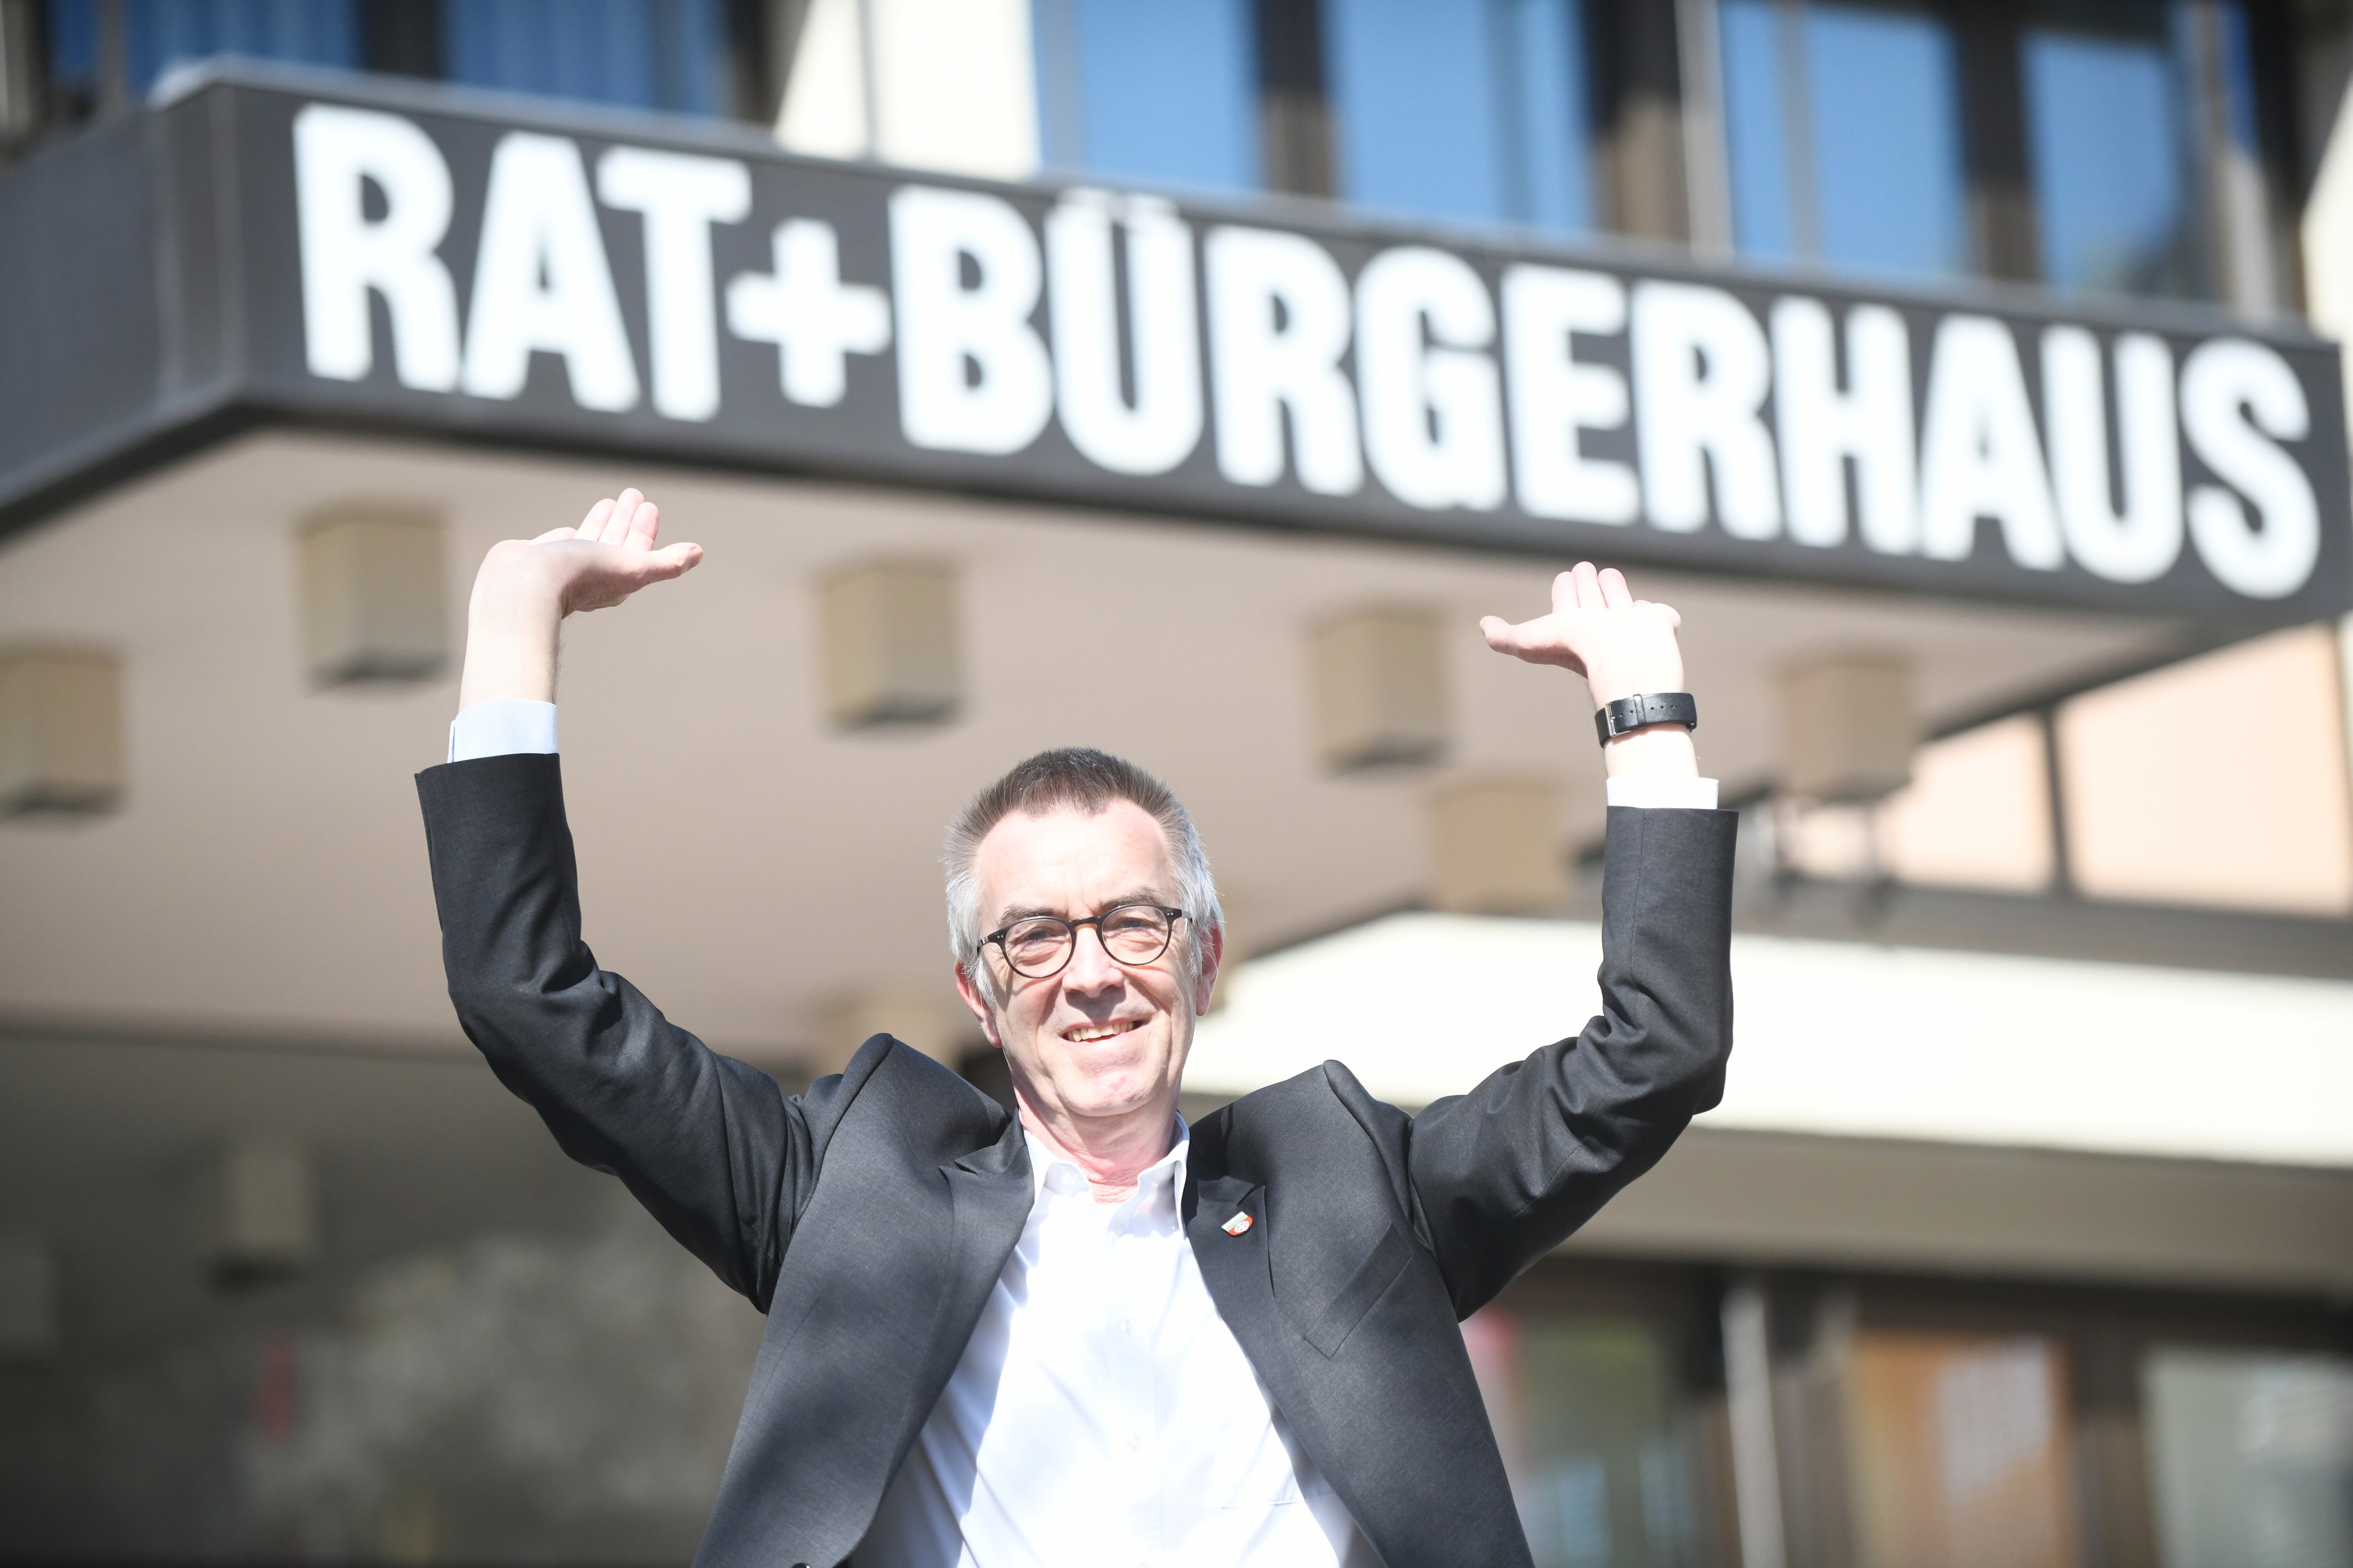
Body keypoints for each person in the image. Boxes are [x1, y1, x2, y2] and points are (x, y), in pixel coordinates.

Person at [417, 487, 1735, 1568]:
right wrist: (513, 613)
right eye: (1035, 936)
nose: (1090, 973)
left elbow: (1653, 1057)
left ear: (1205, 958)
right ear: (975, 990)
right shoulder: (848, 1192)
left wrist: (1646, 713)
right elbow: (532, 1002)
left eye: (1134, 924)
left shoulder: (1350, 1195)